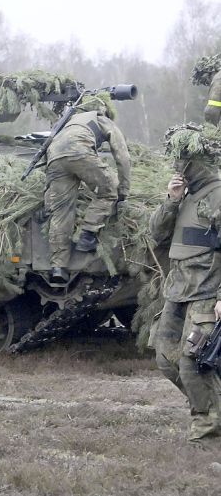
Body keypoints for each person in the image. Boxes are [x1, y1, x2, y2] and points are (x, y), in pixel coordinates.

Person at [149, 123, 221, 443]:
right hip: (177, 292)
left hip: (206, 292)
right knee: (167, 359)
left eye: (184, 160)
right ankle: (210, 407)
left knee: (194, 362)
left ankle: (208, 434)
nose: (179, 167)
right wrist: (171, 200)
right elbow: (156, 235)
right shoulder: (186, 196)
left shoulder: (217, 195)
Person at [43, 94, 131, 283]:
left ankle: (58, 267)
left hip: (54, 157)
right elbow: (122, 156)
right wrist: (123, 191)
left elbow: (49, 152)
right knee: (109, 190)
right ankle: (87, 234)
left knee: (61, 213)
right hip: (79, 151)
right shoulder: (102, 119)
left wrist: (48, 197)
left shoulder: (68, 122)